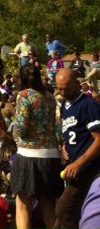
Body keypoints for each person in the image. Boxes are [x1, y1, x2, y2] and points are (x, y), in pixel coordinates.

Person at [10, 64, 62, 229]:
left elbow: (21, 127)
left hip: (29, 154)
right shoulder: (49, 96)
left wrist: (15, 135)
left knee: (23, 207)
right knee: (49, 209)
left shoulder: (23, 95)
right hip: (51, 156)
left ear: (21, 77)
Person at [55, 67, 100, 228]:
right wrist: (65, 146)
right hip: (73, 168)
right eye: (59, 89)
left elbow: (99, 140)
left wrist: (79, 163)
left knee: (63, 210)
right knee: (70, 213)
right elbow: (72, 132)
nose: (63, 92)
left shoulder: (88, 105)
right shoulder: (65, 105)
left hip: (89, 169)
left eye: (67, 89)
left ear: (78, 84)